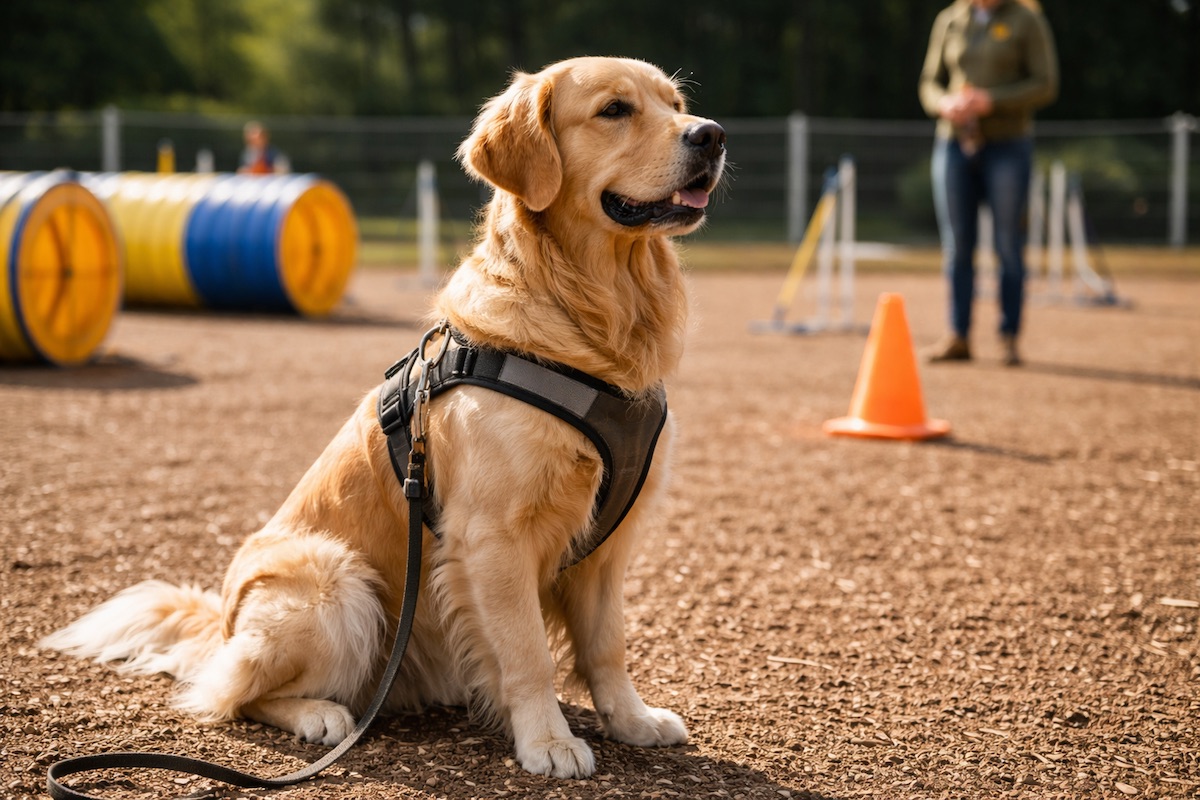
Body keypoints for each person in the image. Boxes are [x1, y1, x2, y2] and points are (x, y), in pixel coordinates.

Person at [919, 0, 1058, 366]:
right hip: (954, 143)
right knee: (957, 245)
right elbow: (928, 83)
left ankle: (1008, 336)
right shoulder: (950, 19)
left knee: (1008, 244)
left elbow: (1045, 84)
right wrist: (944, 104)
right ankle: (958, 335)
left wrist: (992, 101)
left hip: (1008, 145)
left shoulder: (1026, 19)